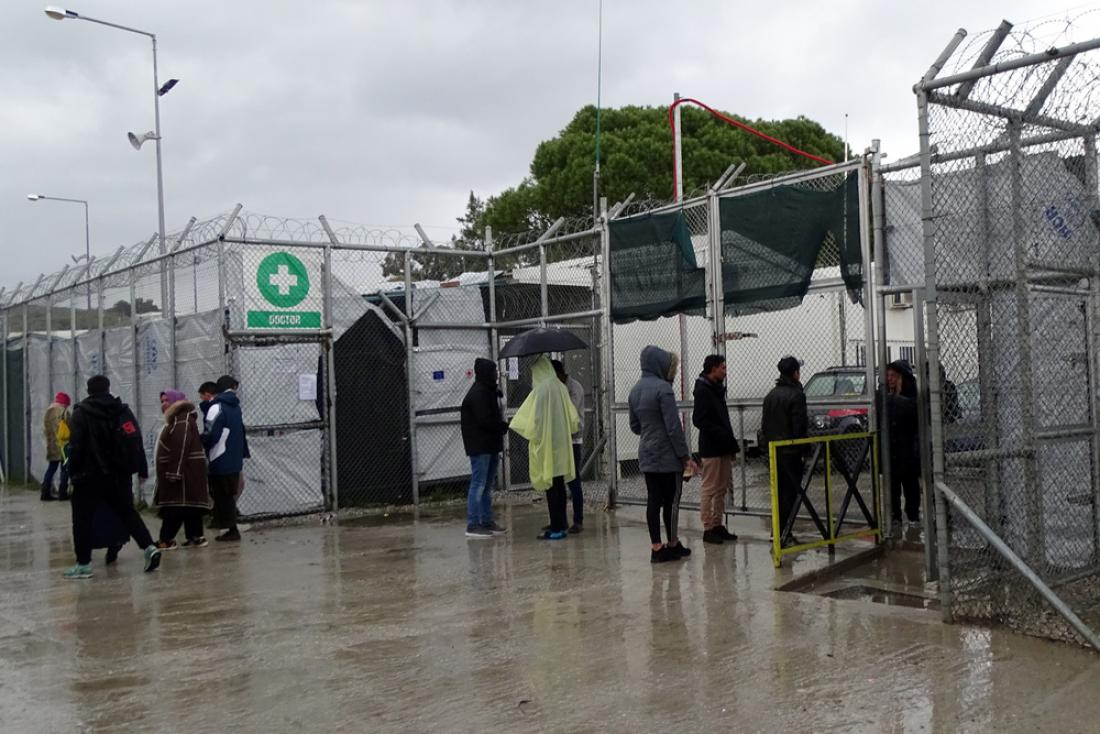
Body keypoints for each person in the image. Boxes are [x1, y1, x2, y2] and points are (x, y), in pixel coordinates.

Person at [63, 375, 162, 579]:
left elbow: (76, 446)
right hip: (119, 474)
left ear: (88, 390)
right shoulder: (122, 411)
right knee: (128, 513)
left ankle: (83, 564)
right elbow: (135, 440)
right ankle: (149, 547)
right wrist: (141, 469)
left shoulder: (81, 413)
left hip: (88, 476)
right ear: (108, 388)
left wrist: (71, 472)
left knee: (82, 520)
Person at [628, 345, 697, 563]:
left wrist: (650, 430)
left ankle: (656, 548)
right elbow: (673, 428)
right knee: (672, 501)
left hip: (647, 454)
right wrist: (685, 457)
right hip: (667, 456)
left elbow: (634, 426)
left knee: (653, 500)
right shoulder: (664, 389)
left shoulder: (635, 390)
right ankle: (673, 544)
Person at [510, 354, 580, 541]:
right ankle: (562, 523)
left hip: (547, 445)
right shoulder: (560, 387)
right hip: (561, 446)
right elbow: (573, 418)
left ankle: (556, 527)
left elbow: (533, 420)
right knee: (559, 484)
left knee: (551, 487)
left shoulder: (540, 391)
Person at [153, 389, 212, 550]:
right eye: (162, 401)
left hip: (184, 473)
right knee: (189, 506)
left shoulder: (181, 420)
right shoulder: (179, 419)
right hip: (187, 472)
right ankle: (195, 537)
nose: (164, 404)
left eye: (167, 400)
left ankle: (166, 539)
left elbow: (180, 446)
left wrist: (174, 471)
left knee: (175, 507)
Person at [761, 356, 808, 548]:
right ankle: (784, 533)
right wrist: (804, 449)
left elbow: (765, 426)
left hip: (775, 451)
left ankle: (777, 532)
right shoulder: (797, 395)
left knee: (778, 493)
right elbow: (799, 427)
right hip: (791, 452)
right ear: (795, 373)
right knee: (790, 494)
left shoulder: (770, 395)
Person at [692, 355, 740, 545]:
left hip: (723, 445)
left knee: (722, 487)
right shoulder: (703, 390)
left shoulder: (716, 389)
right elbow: (699, 419)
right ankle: (708, 528)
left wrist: (729, 442)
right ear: (713, 368)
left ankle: (717, 524)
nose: (725, 372)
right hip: (712, 447)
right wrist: (720, 433)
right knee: (710, 488)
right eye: (722, 368)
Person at [459, 358, 509, 539]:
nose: (496, 375)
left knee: (486, 485)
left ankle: (486, 521)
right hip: (480, 446)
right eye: (494, 372)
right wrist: (501, 426)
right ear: (487, 373)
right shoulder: (479, 393)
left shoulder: (487, 391)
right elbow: (485, 419)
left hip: (488, 444)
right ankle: (473, 524)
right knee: (479, 484)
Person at [203, 375, 250, 542]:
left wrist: (202, 443)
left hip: (219, 458)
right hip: (234, 458)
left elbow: (211, 434)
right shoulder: (236, 407)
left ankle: (231, 529)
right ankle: (228, 527)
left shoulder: (216, 407)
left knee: (222, 496)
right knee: (228, 494)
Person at [551, 359, 585, 533]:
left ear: (559, 374)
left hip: (573, 440)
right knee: (558, 482)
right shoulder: (557, 388)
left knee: (573, 480)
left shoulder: (574, 387)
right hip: (559, 440)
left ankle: (578, 520)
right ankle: (560, 520)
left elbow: (569, 410)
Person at [885, 360, 921, 523]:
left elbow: (912, 413)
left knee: (910, 485)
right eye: (888, 376)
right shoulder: (886, 396)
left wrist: (896, 398)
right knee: (892, 487)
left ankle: (913, 516)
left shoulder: (910, 396)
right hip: (892, 450)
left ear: (901, 378)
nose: (889, 379)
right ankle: (895, 517)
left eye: (893, 376)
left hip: (907, 450)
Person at [42, 392, 72, 501]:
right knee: (65, 469)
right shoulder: (64, 412)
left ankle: (45, 492)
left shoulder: (48, 411)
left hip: (51, 444)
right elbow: (70, 427)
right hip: (63, 444)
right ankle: (62, 493)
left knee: (51, 468)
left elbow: (45, 429)